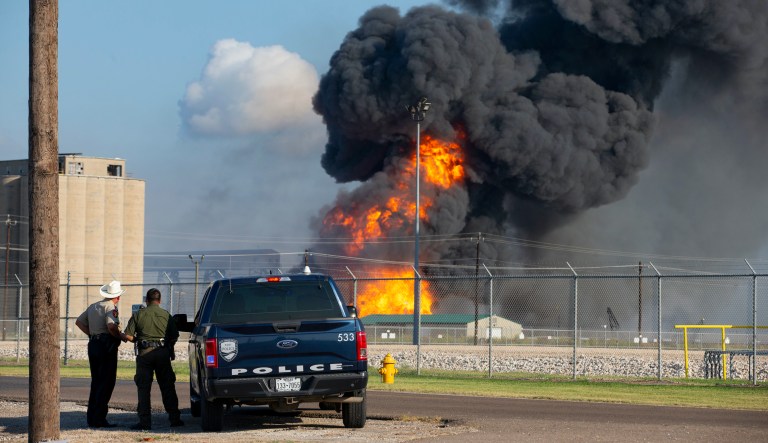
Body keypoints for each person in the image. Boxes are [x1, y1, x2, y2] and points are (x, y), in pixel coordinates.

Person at [122, 288, 184, 430]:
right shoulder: (166, 315)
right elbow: (174, 336)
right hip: (162, 353)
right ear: (159, 300)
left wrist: (139, 340)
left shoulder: (139, 315)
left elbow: (127, 336)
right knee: (167, 387)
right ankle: (174, 419)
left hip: (145, 354)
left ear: (146, 300)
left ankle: (145, 422)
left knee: (144, 388)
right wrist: (168, 346)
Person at [75, 280, 126, 428]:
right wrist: (119, 336)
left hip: (94, 344)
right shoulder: (111, 308)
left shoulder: (93, 306)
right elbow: (111, 326)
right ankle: (99, 418)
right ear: (117, 297)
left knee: (96, 381)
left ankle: (92, 417)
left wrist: (91, 334)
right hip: (106, 345)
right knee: (107, 382)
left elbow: (79, 322)